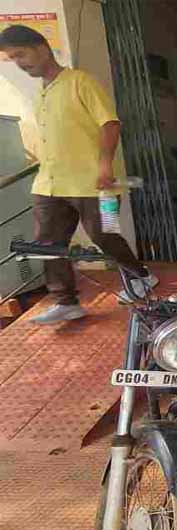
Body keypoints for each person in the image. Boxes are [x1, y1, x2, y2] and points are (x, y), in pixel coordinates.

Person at [0, 24, 156, 323]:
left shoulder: (80, 81)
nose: (19, 63)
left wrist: (105, 164)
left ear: (42, 48)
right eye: (12, 58)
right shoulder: (41, 93)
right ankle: (66, 301)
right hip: (50, 184)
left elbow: (110, 123)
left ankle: (141, 275)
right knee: (46, 243)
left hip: (97, 183)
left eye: (21, 54)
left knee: (104, 235)